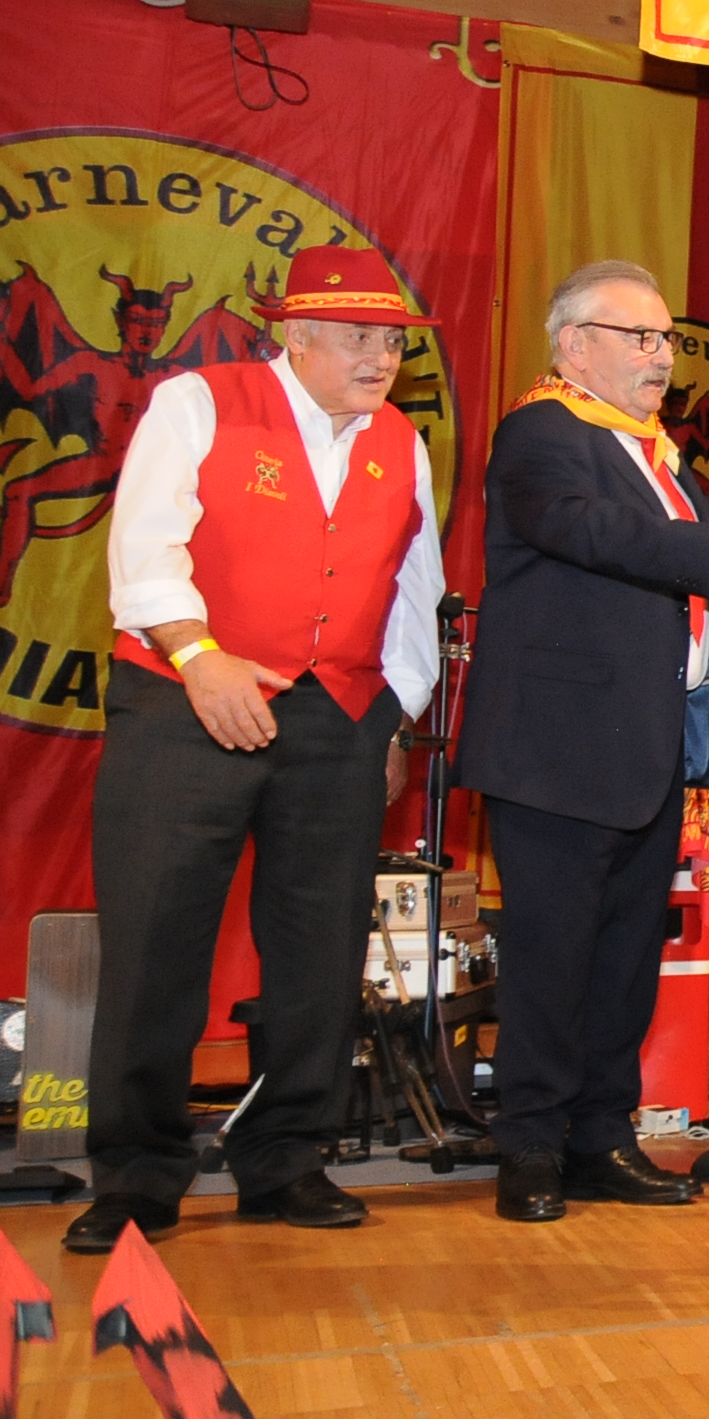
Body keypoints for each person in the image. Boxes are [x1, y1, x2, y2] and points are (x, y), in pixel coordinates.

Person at [67, 249, 447, 1252]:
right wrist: (199, 657)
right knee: (155, 940)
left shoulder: (401, 442)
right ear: (299, 335)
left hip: (337, 718)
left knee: (320, 950)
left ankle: (286, 1158)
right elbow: (144, 548)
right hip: (186, 698)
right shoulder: (200, 402)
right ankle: (136, 1176)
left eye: (393, 342)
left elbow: (415, 589)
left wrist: (391, 717)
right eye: (360, 338)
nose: (381, 359)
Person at [457, 260, 709, 1223]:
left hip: (653, 743)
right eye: (640, 338)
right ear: (574, 345)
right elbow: (583, 529)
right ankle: (531, 1145)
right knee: (552, 956)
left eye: (666, 340)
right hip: (559, 745)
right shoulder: (541, 432)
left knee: (624, 957)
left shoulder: (664, 458)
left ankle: (601, 1137)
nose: (661, 358)